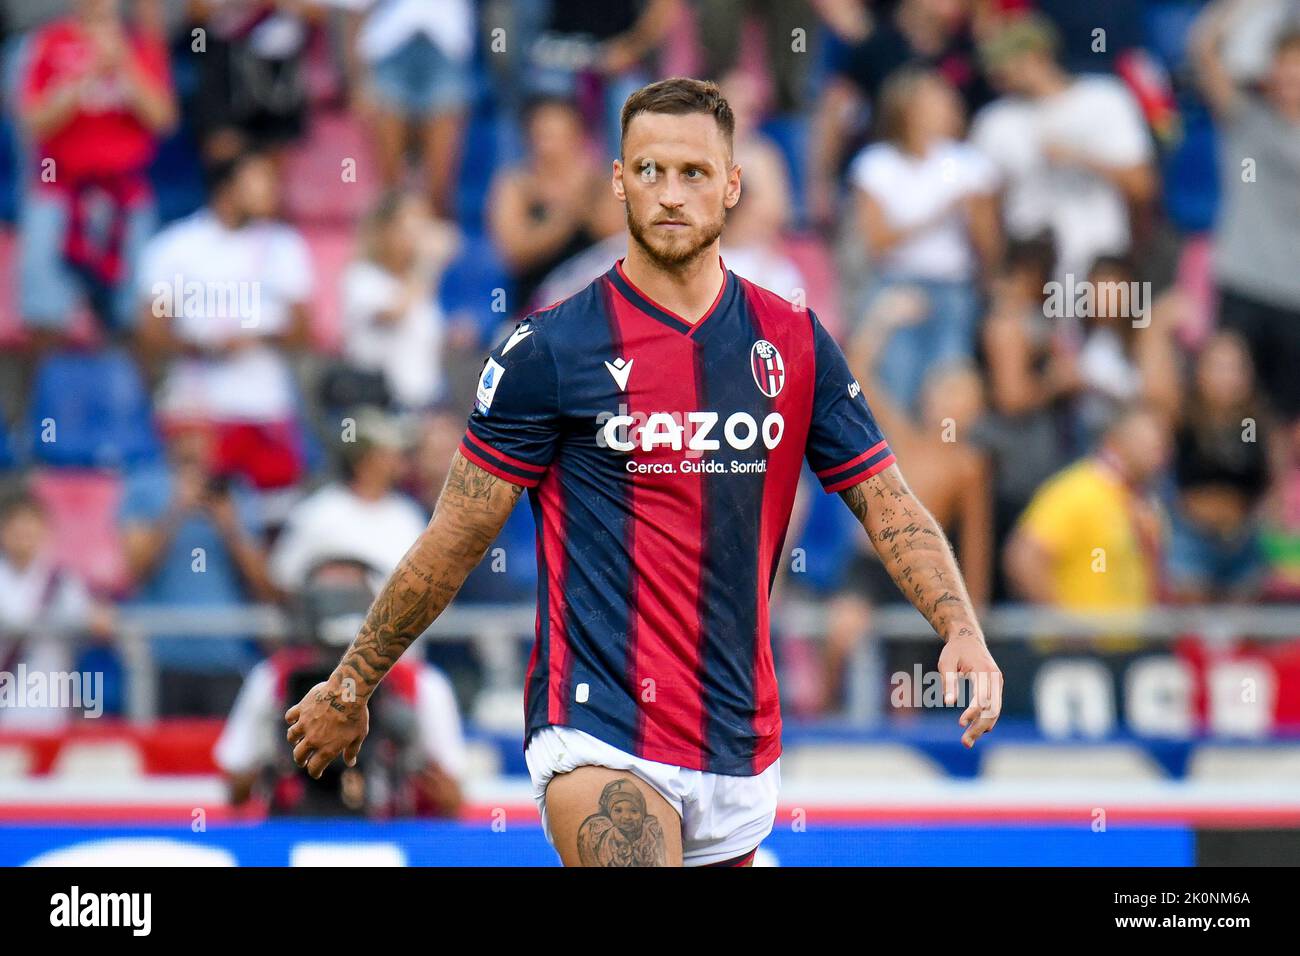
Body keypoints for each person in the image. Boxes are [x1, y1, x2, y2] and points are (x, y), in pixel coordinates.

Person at [285, 77, 1001, 868]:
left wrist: (959, 627)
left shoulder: (793, 342)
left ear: (732, 186)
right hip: (598, 725)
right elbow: (454, 538)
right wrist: (352, 682)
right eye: (649, 171)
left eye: (693, 172)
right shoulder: (551, 351)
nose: (669, 193)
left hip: (736, 731)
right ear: (619, 181)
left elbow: (888, 504)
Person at [216, 558, 465, 817]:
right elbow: (235, 792)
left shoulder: (422, 685)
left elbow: (453, 801)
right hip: (298, 825)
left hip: (385, 828)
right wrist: (277, 746)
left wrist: (407, 748)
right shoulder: (271, 680)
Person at [136, 150, 314, 494]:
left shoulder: (285, 246)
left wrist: (256, 338)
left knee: (273, 510)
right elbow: (150, 331)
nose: (270, 191)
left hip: (266, 406)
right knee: (199, 510)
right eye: (258, 181)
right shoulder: (175, 247)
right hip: (194, 408)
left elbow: (304, 331)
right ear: (227, 189)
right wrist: (204, 346)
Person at [16, 0, 177, 342]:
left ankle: (133, 393)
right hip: (59, 188)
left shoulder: (139, 45)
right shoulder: (49, 42)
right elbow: (34, 122)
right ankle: (45, 392)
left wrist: (123, 66)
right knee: (45, 314)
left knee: (137, 314)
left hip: (125, 192)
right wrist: (84, 76)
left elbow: (163, 119)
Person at [849, 66, 1000, 411]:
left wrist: (977, 216)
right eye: (935, 99)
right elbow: (877, 241)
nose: (948, 105)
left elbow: (990, 248)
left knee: (949, 392)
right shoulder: (877, 164)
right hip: (897, 287)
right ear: (908, 108)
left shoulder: (971, 164)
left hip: (954, 288)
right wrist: (939, 214)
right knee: (895, 386)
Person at [969, 13, 1157, 280]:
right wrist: (997, 274)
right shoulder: (994, 121)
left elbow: (1142, 187)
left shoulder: (1105, 98)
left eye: (1006, 61)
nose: (997, 73)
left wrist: (1079, 158)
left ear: (1038, 55)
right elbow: (983, 208)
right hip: (1031, 273)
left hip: (1099, 267)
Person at [119, 418, 273, 716]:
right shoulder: (144, 485)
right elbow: (135, 568)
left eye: (201, 435)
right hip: (161, 657)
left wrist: (229, 526)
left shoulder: (234, 491)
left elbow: (264, 584)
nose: (194, 444)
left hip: (225, 655)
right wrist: (175, 510)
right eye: (185, 434)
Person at [1192, 3, 1300, 422]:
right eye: (1284, 68)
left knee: (1286, 419)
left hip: (1295, 294)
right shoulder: (1246, 120)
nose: (1291, 78)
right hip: (1244, 281)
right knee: (1227, 402)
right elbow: (1204, 49)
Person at [1005, 403, 1172, 616]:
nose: (1158, 453)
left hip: (1136, 643)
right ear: (1114, 442)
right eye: (1146, 443)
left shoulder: (1146, 502)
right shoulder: (1078, 490)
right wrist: (1064, 625)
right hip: (1081, 646)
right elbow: (1023, 559)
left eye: (1161, 444)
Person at [336, 0, 475, 218]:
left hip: (446, 47)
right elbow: (354, 8)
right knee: (391, 191)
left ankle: (435, 249)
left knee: (439, 192)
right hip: (387, 50)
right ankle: (390, 247)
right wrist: (357, 81)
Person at [1166, 332, 1276, 602]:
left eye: (1236, 368)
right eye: (1218, 366)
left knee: (1242, 635)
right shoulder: (1183, 417)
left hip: (1240, 541)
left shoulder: (1252, 426)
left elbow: (1263, 477)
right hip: (1193, 539)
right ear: (1200, 371)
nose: (1227, 377)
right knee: (1193, 631)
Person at [268, 408, 427, 593]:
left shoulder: (408, 515)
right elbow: (283, 577)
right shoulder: (318, 512)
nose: (399, 462)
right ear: (365, 459)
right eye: (388, 454)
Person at [337, 190, 460, 413]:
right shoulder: (362, 277)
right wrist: (429, 261)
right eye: (409, 227)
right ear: (385, 231)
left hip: (427, 401)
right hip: (380, 405)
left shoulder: (422, 282)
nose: (418, 235)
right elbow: (395, 313)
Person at [488, 96, 611, 317]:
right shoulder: (516, 185)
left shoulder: (598, 181)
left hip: (593, 308)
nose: (548, 146)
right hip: (534, 308)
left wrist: (588, 195)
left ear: (577, 138)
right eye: (542, 136)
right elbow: (514, 253)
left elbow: (619, 242)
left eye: (557, 136)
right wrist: (567, 212)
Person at [0, 491, 114, 727]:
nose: (22, 533)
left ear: (44, 529)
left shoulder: (62, 582)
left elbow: (94, 621)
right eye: (14, 526)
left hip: (49, 711)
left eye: (29, 524)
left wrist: (100, 617)